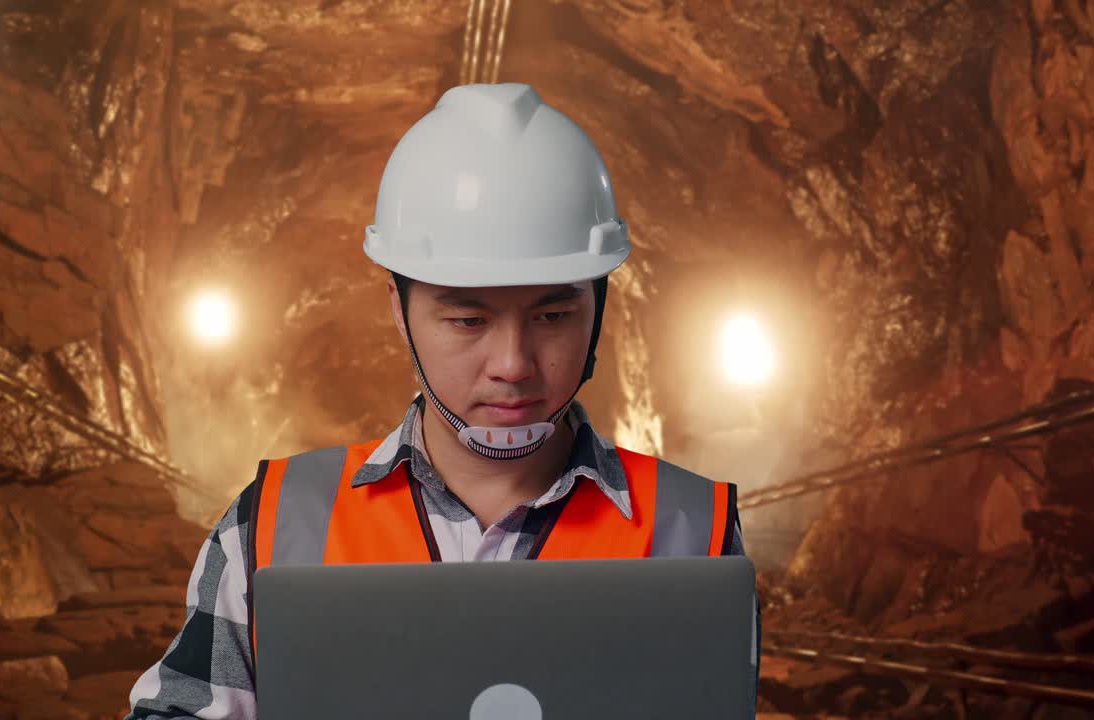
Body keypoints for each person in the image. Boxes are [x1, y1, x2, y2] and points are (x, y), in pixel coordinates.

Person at [124, 82, 761, 719]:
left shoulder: (691, 528)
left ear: (598, 311)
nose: (512, 365)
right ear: (399, 313)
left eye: (553, 315)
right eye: (468, 320)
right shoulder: (275, 523)